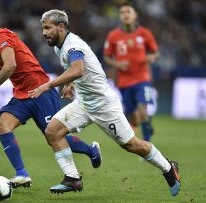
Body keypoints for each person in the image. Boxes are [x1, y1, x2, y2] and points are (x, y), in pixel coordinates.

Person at [28, 9, 181, 196]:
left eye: (47, 28)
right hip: (84, 103)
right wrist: (68, 83)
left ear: (61, 27)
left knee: (131, 145)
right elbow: (74, 70)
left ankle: (168, 167)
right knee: (52, 131)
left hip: (103, 104)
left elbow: (78, 69)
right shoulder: (59, 45)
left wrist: (48, 85)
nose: (43, 33)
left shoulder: (72, 46)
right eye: (43, 28)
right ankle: (73, 179)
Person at [0, 16, 102, 188]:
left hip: (41, 91)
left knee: (54, 137)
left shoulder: (3, 37)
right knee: (2, 127)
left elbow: (10, 65)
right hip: (22, 95)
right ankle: (21, 174)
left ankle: (91, 151)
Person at [103, 3, 159, 141]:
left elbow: (156, 52)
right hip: (124, 81)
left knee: (142, 110)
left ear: (135, 15)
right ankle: (147, 123)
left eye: (128, 11)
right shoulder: (113, 36)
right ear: (120, 17)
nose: (125, 15)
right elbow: (106, 57)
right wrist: (117, 64)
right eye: (122, 12)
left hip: (142, 79)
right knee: (134, 118)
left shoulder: (145, 33)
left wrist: (152, 57)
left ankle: (147, 145)